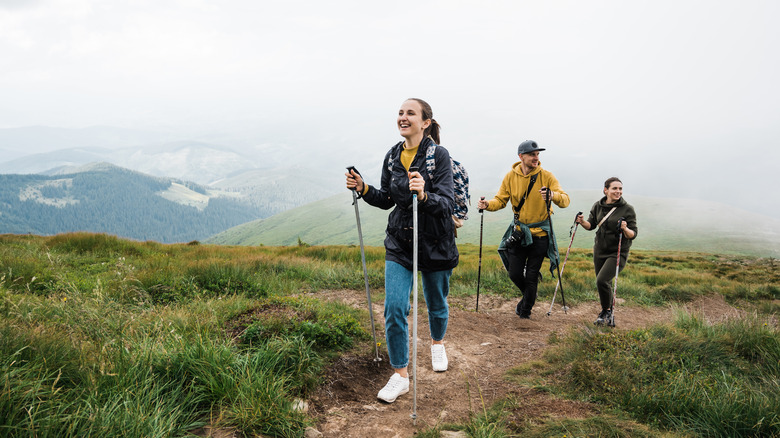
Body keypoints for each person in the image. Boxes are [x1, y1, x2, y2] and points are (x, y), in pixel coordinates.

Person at [345, 98, 458, 403]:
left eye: (410, 113)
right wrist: (363, 188)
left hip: (435, 242)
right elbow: (386, 199)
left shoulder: (439, 156)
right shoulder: (393, 155)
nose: (403, 117)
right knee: (394, 307)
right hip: (400, 242)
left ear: (425, 123)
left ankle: (437, 342)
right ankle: (400, 375)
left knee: (436, 302)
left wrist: (424, 195)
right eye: (400, 112)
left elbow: (448, 203)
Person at [477, 141, 569, 319]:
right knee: (515, 273)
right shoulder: (510, 177)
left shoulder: (547, 176)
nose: (536, 158)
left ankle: (525, 311)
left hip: (541, 235)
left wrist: (552, 195)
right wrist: (487, 204)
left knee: (532, 275)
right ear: (521, 157)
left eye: (537, 154)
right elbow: (500, 200)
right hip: (519, 233)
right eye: (532, 154)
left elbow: (565, 200)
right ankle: (530, 294)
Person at [575, 177, 638, 326]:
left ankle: (606, 312)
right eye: (614, 188)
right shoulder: (598, 206)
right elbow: (591, 225)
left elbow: (633, 234)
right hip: (599, 250)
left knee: (601, 280)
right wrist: (582, 221)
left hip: (617, 252)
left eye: (620, 189)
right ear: (606, 190)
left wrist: (625, 228)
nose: (618, 191)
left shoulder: (627, 209)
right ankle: (608, 314)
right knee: (604, 283)